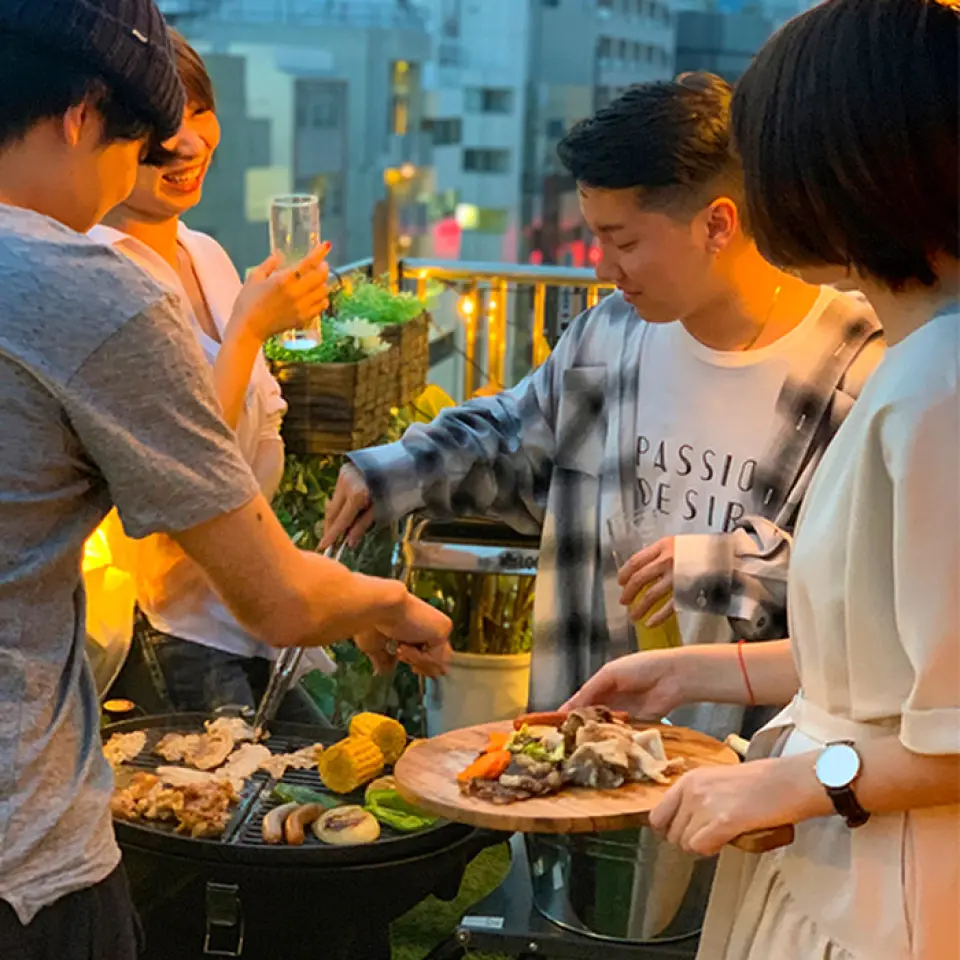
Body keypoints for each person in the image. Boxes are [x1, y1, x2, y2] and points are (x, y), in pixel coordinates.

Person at [0, 3, 449, 958]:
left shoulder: (171, 260)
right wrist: (391, 602)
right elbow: (277, 599)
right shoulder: (87, 283)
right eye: (138, 142)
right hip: (23, 859)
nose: (149, 166)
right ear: (84, 114)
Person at [565, 1, 959, 957]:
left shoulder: (937, 391)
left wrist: (800, 778)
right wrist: (699, 668)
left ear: (851, 164)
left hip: (886, 898)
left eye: (771, 150)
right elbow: (890, 661)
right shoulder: (923, 360)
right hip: (851, 868)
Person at [323, 73, 883, 738]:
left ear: (718, 224)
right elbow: (515, 440)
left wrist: (720, 566)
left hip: (759, 774)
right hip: (596, 740)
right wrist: (389, 471)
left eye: (623, 241)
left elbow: (879, 592)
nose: (601, 267)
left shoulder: (858, 367)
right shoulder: (610, 334)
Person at [88, 33, 333, 721]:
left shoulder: (207, 253)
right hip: (181, 626)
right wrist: (251, 329)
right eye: (160, 124)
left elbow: (252, 435)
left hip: (251, 603)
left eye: (198, 113)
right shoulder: (104, 273)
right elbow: (183, 469)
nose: (188, 143)